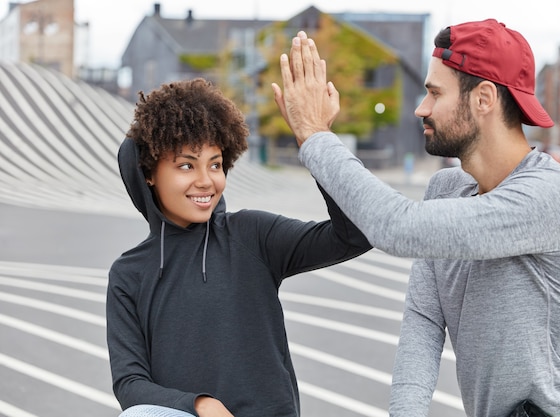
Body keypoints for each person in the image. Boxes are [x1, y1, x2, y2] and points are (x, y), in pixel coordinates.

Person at [272, 22, 560, 417]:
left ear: (483, 98)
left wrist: (314, 136)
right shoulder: (446, 188)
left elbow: (395, 227)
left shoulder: (552, 197)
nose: (421, 108)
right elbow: (424, 320)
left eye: (434, 92)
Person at [106, 78, 372, 417]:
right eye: (186, 165)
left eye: (215, 164)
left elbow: (355, 234)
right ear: (149, 173)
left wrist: (316, 137)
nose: (206, 180)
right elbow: (129, 383)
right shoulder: (129, 274)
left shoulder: (251, 235)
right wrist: (200, 405)